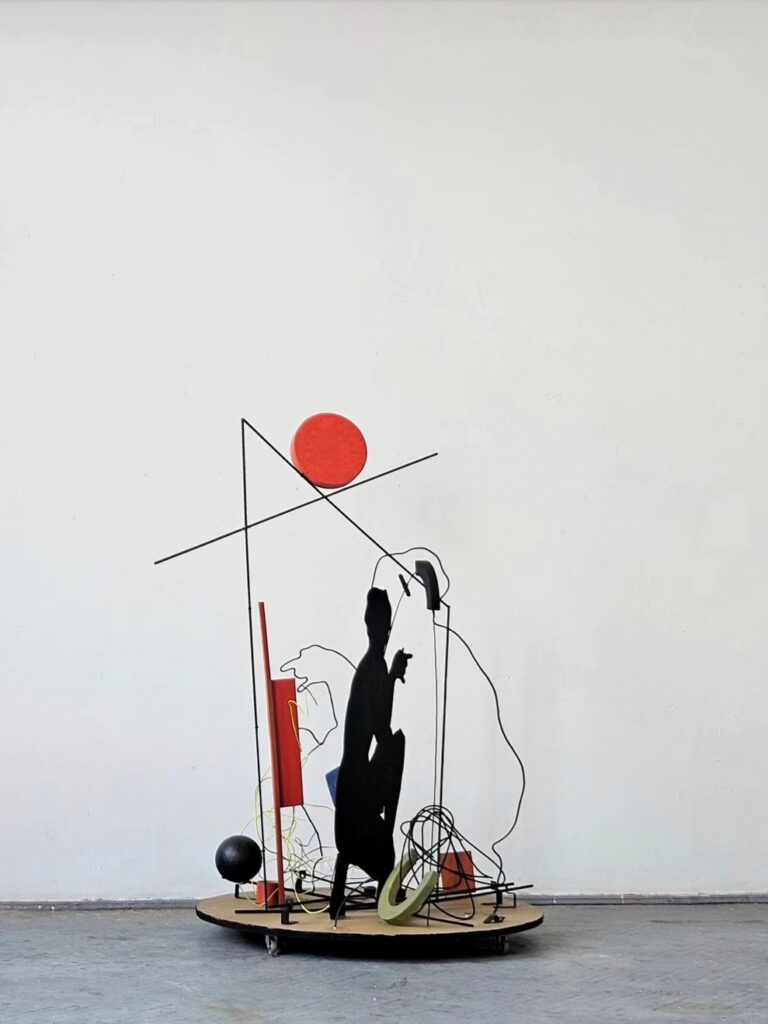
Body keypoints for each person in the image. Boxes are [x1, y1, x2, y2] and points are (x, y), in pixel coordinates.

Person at [328, 587, 411, 918]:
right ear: (373, 626)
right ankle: (383, 896)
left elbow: (379, 720)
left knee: (351, 847)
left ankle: (342, 901)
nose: (384, 631)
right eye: (380, 624)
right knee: (373, 845)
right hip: (357, 775)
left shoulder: (373, 666)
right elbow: (381, 727)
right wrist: (391, 677)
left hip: (355, 772)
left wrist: (392, 677)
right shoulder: (372, 666)